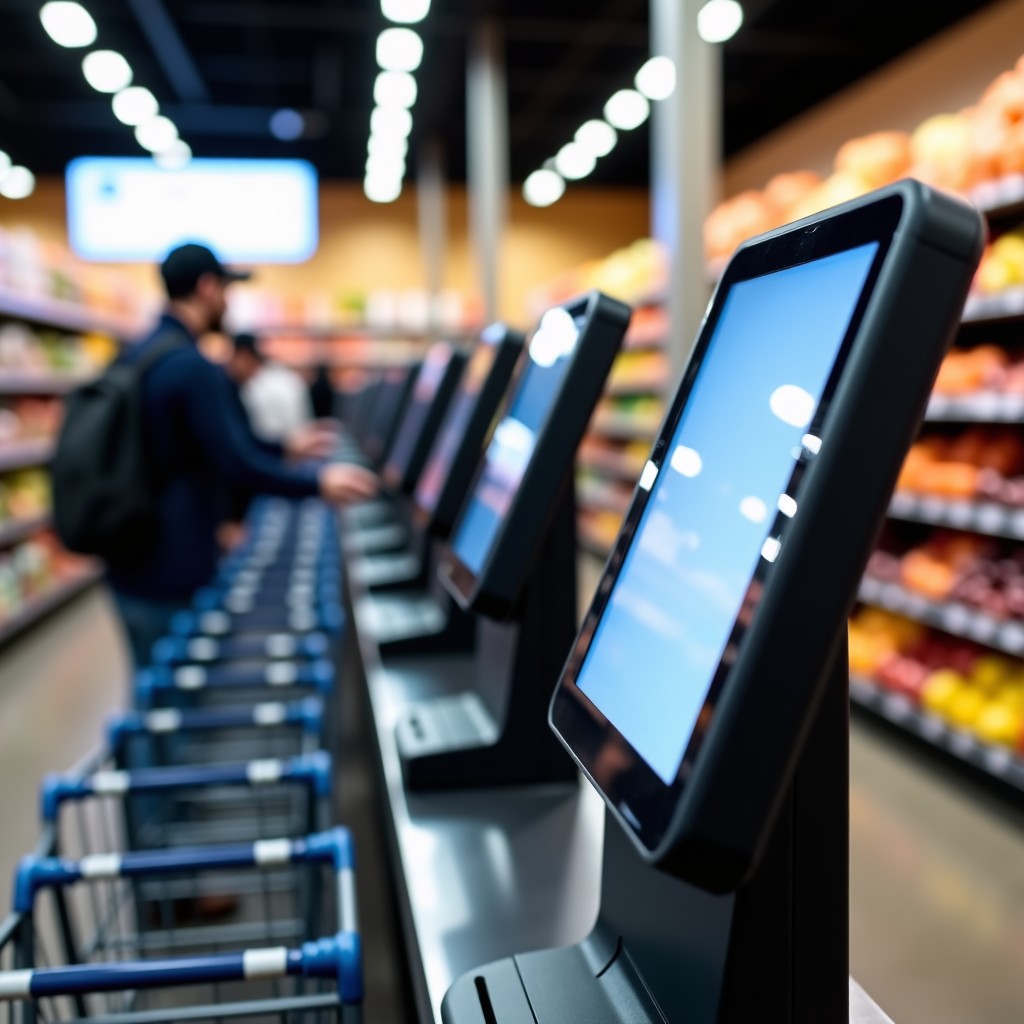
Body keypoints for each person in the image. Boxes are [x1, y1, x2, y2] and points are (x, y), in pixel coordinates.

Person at [106, 242, 377, 669]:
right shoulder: (191, 365)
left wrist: (286, 447)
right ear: (208, 288)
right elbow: (234, 461)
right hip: (169, 563)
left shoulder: (139, 353)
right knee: (173, 701)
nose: (230, 302)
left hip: (130, 556)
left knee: (151, 692)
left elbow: (206, 444)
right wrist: (317, 483)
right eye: (228, 291)